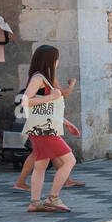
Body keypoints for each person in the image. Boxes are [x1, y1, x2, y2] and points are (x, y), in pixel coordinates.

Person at [21, 44, 78, 213]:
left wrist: (64, 121)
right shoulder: (38, 79)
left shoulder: (43, 79)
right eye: (56, 58)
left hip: (41, 128)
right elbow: (25, 101)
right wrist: (51, 97)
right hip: (44, 130)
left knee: (40, 166)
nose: (58, 62)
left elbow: (44, 109)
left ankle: (35, 202)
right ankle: (53, 197)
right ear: (50, 60)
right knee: (70, 161)